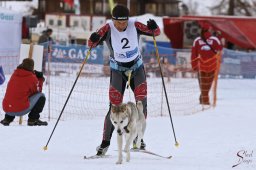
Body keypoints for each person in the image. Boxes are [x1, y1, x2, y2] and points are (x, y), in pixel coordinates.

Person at [88, 4, 160, 156]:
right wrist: (93, 39)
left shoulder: (135, 24)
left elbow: (156, 33)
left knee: (141, 103)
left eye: (124, 22)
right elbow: (91, 44)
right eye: (118, 22)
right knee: (114, 107)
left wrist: (154, 27)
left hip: (137, 68)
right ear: (113, 20)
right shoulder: (107, 28)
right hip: (118, 71)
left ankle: (137, 139)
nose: (121, 25)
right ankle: (105, 143)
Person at [0, 58, 48, 126]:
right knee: (41, 96)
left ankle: (7, 119)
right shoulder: (32, 77)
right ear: (32, 67)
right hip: (20, 110)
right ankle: (33, 119)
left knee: (14, 95)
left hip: (6, 108)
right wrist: (40, 79)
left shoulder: (14, 74)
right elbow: (38, 91)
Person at [191, 24, 223, 105]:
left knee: (202, 85)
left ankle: (203, 99)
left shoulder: (197, 40)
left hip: (201, 66)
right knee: (207, 85)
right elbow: (220, 48)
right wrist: (219, 37)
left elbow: (193, 55)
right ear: (210, 30)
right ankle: (205, 101)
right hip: (212, 66)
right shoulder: (215, 39)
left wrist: (194, 66)